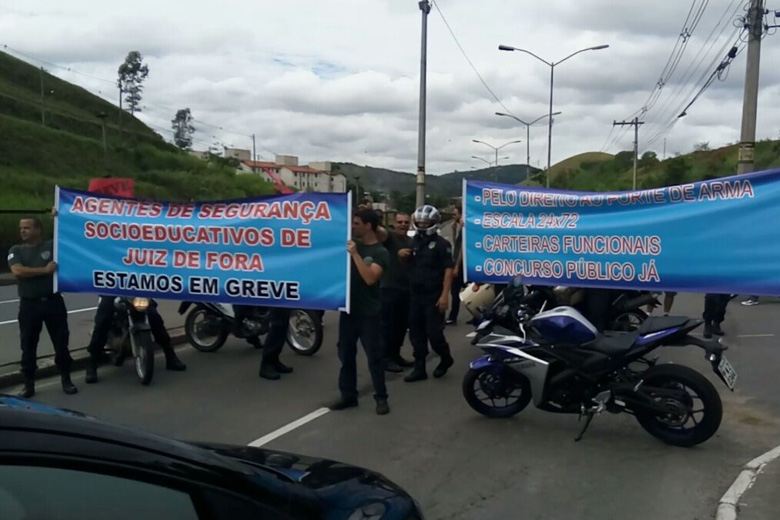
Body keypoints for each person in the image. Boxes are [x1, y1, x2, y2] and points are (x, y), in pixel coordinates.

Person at [7, 216, 76, 398]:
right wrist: (44, 271)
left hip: (53, 302)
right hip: (30, 305)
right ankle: (29, 385)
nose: (22, 231)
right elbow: (18, 270)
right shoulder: (16, 250)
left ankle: (66, 380)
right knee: (28, 345)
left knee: (61, 343)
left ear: (38, 230)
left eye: (27, 228)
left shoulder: (52, 246)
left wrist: (59, 215)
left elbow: (69, 235)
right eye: (21, 228)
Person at [331, 209, 390, 415]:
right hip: (348, 310)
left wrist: (355, 254)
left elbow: (370, 278)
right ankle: (348, 396)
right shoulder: (350, 245)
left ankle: (381, 398)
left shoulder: (380, 252)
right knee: (345, 354)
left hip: (369, 313)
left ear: (368, 226)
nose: (353, 226)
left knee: (374, 356)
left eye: (356, 223)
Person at [400, 205, 455, 382]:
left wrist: (445, 295)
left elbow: (448, 270)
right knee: (416, 333)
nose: (422, 225)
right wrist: (402, 255)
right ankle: (419, 368)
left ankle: (445, 358)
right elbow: (408, 265)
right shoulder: (413, 241)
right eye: (420, 222)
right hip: (415, 295)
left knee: (434, 333)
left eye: (426, 223)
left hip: (434, 295)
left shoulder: (441, 244)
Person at [84, 296, 187, 383]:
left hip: (136, 292)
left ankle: (170, 356)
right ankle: (92, 363)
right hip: (113, 291)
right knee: (103, 320)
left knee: (154, 316)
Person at [379, 213, 414, 373]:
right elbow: (379, 231)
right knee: (387, 326)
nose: (403, 225)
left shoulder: (411, 241)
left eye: (406, 222)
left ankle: (396, 355)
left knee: (401, 326)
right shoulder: (390, 238)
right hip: (388, 289)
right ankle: (385, 359)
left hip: (406, 289)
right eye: (400, 222)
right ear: (394, 223)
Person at [258, 308, 294, 380]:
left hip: (283, 300)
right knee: (277, 326)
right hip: (276, 300)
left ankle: (274, 361)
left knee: (283, 326)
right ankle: (266, 364)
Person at [446, 205, 464, 325]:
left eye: (454, 214)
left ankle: (453, 316)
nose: (453, 217)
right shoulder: (459, 228)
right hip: (457, 261)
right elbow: (455, 245)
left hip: (461, 264)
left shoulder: (464, 229)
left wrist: (457, 266)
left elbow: (462, 248)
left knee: (455, 291)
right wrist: (453, 231)